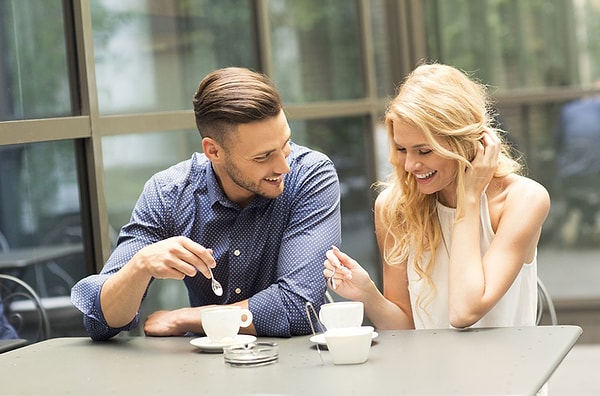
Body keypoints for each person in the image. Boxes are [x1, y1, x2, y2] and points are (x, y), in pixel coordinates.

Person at [71, 67, 341, 341]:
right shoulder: (168, 193)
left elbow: (298, 308)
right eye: (263, 157)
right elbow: (101, 322)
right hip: (202, 372)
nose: (283, 166)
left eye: (285, 144)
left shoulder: (311, 176)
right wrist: (140, 265)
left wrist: (185, 318)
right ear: (213, 150)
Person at [324, 63, 550, 331]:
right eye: (402, 149)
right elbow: (405, 329)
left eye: (424, 151)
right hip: (428, 371)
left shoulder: (523, 199)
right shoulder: (394, 207)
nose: (409, 165)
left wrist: (469, 198)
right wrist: (368, 295)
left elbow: (464, 312)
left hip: (508, 370)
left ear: (465, 142)